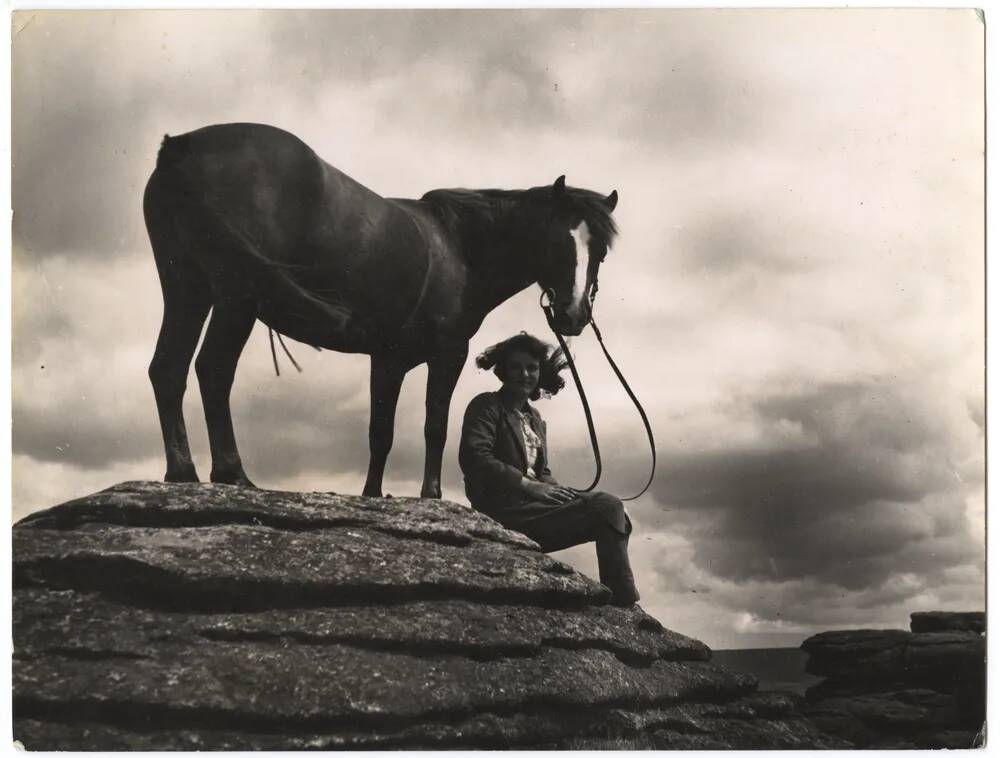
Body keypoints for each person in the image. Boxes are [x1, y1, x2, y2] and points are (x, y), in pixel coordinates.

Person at [459, 332, 640, 606]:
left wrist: (566, 494)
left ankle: (621, 602)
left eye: (532, 368)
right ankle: (624, 601)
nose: (525, 374)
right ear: (502, 372)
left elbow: (541, 471)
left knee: (612, 510)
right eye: (516, 367)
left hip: (533, 509)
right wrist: (528, 486)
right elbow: (474, 457)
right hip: (502, 512)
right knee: (608, 506)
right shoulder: (486, 406)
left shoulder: (535, 418)